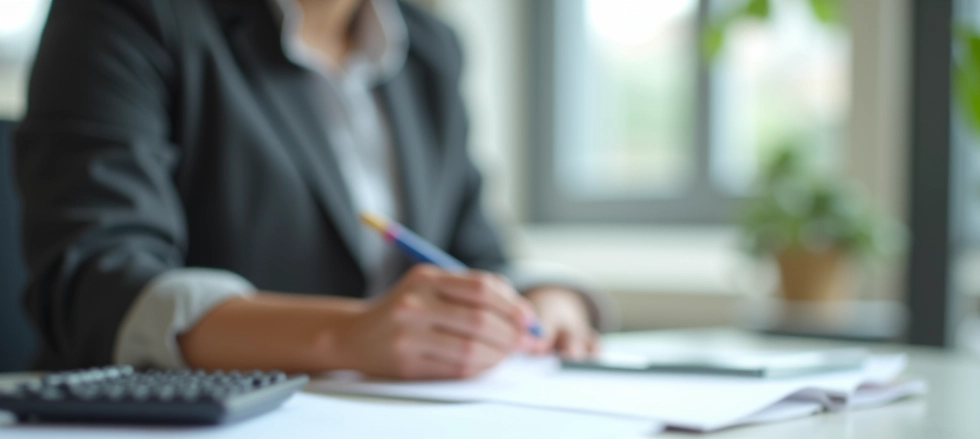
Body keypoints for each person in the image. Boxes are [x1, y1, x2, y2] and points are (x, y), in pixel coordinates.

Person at [16, 0, 601, 378]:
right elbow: (97, 284)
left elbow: (473, 249)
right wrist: (348, 336)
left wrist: (546, 301)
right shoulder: (126, 17)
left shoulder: (429, 46)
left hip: (399, 437)